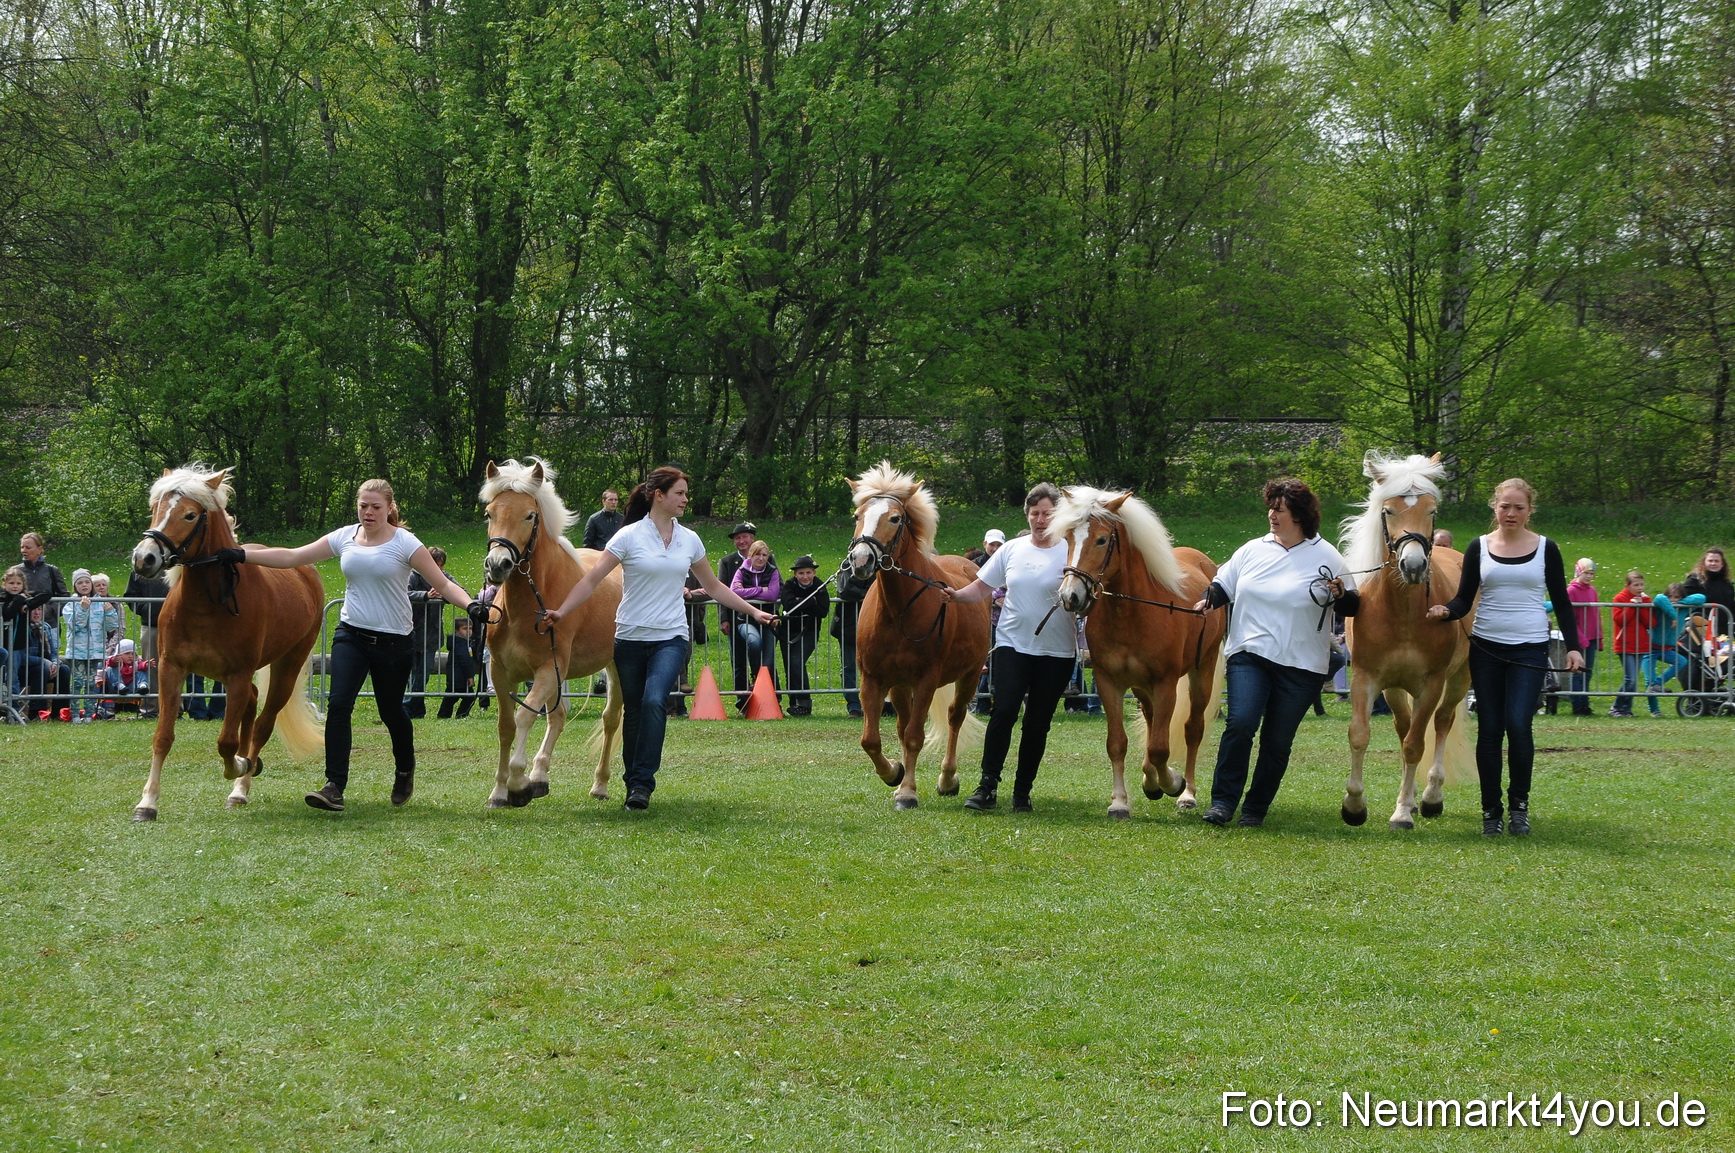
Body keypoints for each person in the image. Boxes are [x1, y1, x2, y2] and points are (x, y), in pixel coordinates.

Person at [216, 478, 486, 812]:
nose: (369, 512)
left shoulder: (405, 543)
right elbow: (292, 556)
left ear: (389, 508)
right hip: (352, 634)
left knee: (391, 711)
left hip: (395, 641)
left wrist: (471, 605)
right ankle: (334, 786)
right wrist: (240, 554)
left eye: (376, 507)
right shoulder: (345, 536)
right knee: (340, 705)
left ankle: (404, 768)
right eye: (363, 506)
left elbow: (443, 584)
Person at [542, 467, 778, 810]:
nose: (686, 499)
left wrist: (755, 613)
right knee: (633, 710)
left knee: (654, 701)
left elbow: (713, 587)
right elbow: (591, 580)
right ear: (659, 495)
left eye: (685, 493)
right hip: (629, 637)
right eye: (680, 493)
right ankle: (631, 782)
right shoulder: (628, 537)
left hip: (671, 638)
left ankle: (642, 784)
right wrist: (561, 612)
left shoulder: (690, 539)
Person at [1193, 478, 1359, 827]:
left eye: (1278, 509)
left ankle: (1255, 809)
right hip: (1250, 653)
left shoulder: (1327, 555)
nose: (1271, 514)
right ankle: (1222, 802)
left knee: (1278, 741)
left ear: (1298, 515)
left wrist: (1341, 593)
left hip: (1302, 664)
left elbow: (1353, 605)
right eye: (1270, 507)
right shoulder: (1252, 549)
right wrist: (1209, 600)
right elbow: (1224, 584)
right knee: (1240, 723)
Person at [1428, 478, 1582, 836]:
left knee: (1518, 725)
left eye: (1518, 507)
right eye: (1505, 507)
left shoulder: (1547, 548)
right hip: (1487, 648)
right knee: (1491, 729)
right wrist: (1444, 611)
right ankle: (1491, 812)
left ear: (1529, 510)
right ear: (1494, 508)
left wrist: (1574, 646)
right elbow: (1464, 599)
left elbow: (1562, 601)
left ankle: (1519, 808)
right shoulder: (1478, 547)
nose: (1511, 513)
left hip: (1529, 648)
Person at [943, 483, 1077, 813]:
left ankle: (1022, 792)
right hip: (1012, 644)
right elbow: (982, 586)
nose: (1040, 519)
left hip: (1056, 650)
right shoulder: (1012, 549)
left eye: (1047, 513)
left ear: (1057, 515)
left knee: (1037, 723)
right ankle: (987, 787)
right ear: (1026, 515)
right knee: (1003, 714)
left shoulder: (1070, 550)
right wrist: (957, 596)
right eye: (1034, 513)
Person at [717, 522, 772, 709]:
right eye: (738, 538)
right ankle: (742, 701)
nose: (742, 541)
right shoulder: (726, 562)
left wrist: (748, 591)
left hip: (765, 617)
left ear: (752, 538)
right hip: (736, 618)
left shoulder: (768, 559)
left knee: (766, 657)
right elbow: (722, 590)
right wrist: (724, 618)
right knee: (738, 659)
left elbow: (775, 588)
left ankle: (771, 698)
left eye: (745, 537)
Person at [728, 538, 781, 710]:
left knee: (769, 661)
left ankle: (771, 703)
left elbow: (773, 595)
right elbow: (734, 591)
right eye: (758, 554)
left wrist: (749, 593)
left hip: (767, 621)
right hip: (745, 619)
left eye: (764, 555)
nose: (761, 558)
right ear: (750, 556)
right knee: (754, 641)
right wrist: (760, 591)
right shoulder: (742, 571)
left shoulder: (772, 571)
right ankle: (754, 673)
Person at [62, 568, 119, 721]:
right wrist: (82, 609)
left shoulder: (99, 602)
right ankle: (75, 714)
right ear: (75, 586)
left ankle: (88, 715)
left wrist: (110, 612)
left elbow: (111, 627)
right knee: (78, 682)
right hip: (77, 651)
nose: (84, 585)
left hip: (95, 651)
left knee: (91, 684)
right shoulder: (71, 604)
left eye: (87, 582)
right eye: (80, 583)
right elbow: (74, 625)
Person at [403, 545, 452, 719]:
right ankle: (414, 709)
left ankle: (409, 707)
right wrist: (425, 596)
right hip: (411, 632)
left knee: (423, 674)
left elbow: (461, 592)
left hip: (431, 635)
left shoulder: (444, 578)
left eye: (440, 566)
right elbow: (404, 593)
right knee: (411, 673)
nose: (437, 570)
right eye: (434, 565)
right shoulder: (413, 576)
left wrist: (443, 596)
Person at [779, 555, 830, 717]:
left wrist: (802, 601)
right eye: (801, 573)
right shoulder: (789, 585)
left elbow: (823, 611)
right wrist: (811, 602)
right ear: (795, 574)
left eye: (808, 573)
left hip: (809, 631)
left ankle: (804, 702)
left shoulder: (820, 586)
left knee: (797, 661)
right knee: (790, 666)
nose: (805, 577)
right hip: (787, 630)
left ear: (814, 573)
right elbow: (789, 605)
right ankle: (794, 702)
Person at [1647, 582, 1706, 705]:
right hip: (1650, 649)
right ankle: (1654, 710)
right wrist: (1673, 615)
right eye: (1670, 596)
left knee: (1682, 661)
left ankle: (1658, 683)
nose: (1673, 600)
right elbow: (1659, 598)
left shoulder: (1684, 608)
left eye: (1677, 597)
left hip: (1666, 649)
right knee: (1649, 683)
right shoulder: (1662, 605)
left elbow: (1701, 597)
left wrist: (1682, 602)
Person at [123, 568, 169, 716]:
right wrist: (146, 609)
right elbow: (131, 596)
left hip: (176, 627)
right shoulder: (140, 570)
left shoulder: (179, 566)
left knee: (176, 668)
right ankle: (150, 708)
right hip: (151, 626)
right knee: (150, 668)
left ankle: (175, 709)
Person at [832, 564, 874, 717]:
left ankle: (878, 704)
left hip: (872, 629)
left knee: (875, 668)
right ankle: (854, 706)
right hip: (848, 627)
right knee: (849, 666)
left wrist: (864, 594)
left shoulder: (876, 567)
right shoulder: (845, 567)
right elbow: (844, 591)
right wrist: (868, 594)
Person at [1609, 570, 1651, 719]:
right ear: (1628, 586)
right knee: (1630, 679)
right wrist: (1632, 606)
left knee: (1633, 680)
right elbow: (1620, 620)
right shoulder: (1620, 598)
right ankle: (1617, 706)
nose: (1639, 588)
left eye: (1641, 585)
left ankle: (1627, 708)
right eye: (1636, 585)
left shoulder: (1646, 599)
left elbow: (1650, 623)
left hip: (1640, 644)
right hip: (1625, 644)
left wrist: (1643, 606)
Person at [1564, 558, 1603, 717]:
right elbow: (1570, 619)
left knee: (1588, 673)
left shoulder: (1592, 591)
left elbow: (1596, 615)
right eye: (1586, 573)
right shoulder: (1571, 591)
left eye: (1591, 574)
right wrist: (1579, 639)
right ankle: (1577, 706)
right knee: (1578, 672)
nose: (1589, 577)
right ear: (1579, 572)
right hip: (1580, 638)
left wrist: (1599, 637)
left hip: (1592, 637)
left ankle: (1585, 704)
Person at [18, 533, 68, 626]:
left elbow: (65, 596)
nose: (24, 551)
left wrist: (50, 610)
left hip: (49, 624)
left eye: (28, 548)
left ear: (40, 549)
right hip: (23, 624)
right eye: (22, 547)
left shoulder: (52, 570)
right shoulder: (16, 571)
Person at [1682, 547, 1733, 634]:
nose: (1713, 563)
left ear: (1722, 564)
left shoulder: (1727, 584)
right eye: (1710, 561)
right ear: (1704, 563)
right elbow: (1681, 599)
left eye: (1716, 561)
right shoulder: (1694, 580)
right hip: (1700, 630)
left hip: (1724, 631)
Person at [437, 614, 479, 719]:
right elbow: (465, 660)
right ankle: (460, 715)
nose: (469, 631)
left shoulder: (462, 642)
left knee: (451, 697)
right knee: (468, 697)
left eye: (470, 628)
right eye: (465, 628)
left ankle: (444, 715)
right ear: (457, 631)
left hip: (456, 676)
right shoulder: (461, 644)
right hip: (459, 676)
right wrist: (470, 676)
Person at [96, 638, 150, 715]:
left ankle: (142, 685)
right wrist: (114, 660)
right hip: (114, 689)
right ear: (119, 654)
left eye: (132, 653)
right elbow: (111, 662)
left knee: (142, 670)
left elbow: (141, 664)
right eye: (127, 653)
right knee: (110, 669)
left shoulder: (136, 662)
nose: (130, 656)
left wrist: (146, 665)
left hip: (131, 689)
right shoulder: (116, 662)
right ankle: (119, 685)